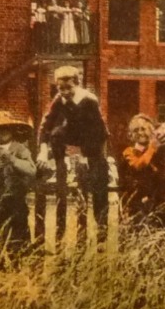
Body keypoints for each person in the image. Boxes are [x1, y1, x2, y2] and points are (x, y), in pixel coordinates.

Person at [38, 65, 111, 226]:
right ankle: (60, 167)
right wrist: (43, 150)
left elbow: (97, 133)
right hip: (75, 137)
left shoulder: (88, 100)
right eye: (60, 88)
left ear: (77, 83)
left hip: (94, 144)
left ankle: (101, 232)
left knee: (98, 190)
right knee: (56, 133)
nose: (64, 92)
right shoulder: (59, 99)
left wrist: (85, 155)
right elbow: (46, 126)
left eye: (68, 87)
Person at [0, 109, 37, 259]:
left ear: (12, 130)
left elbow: (31, 170)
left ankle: (18, 261)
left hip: (15, 199)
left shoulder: (20, 148)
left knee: (17, 233)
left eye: (6, 128)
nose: (3, 132)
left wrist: (13, 161)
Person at [120, 113, 165, 226]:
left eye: (143, 129)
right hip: (137, 202)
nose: (140, 133)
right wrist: (153, 147)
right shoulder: (128, 152)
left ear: (151, 132)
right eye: (136, 130)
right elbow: (138, 166)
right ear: (130, 135)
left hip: (159, 200)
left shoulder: (162, 150)